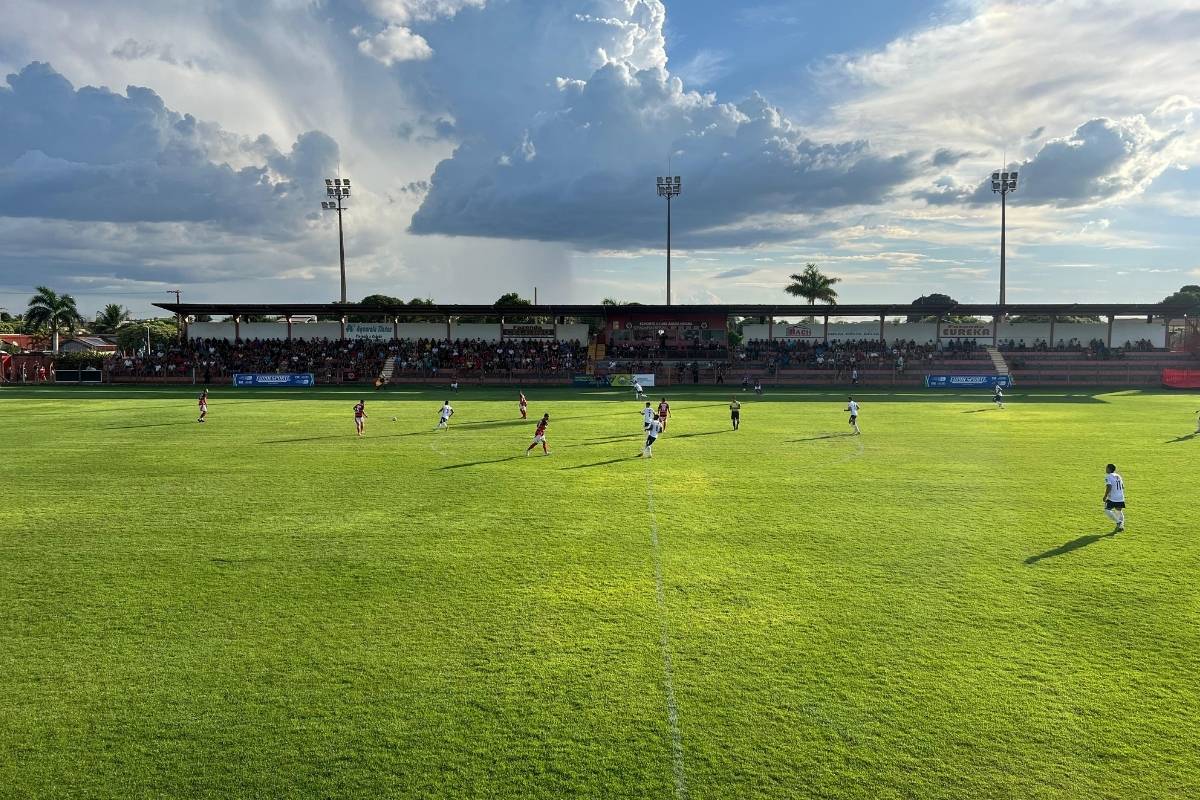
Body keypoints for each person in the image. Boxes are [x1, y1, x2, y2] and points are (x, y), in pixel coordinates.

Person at [1103, 463, 1126, 532]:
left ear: (1109, 469)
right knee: (1119, 511)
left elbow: (1109, 486)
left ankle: (1118, 522)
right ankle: (1121, 526)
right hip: (1121, 497)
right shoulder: (1118, 476)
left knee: (1107, 510)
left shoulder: (1108, 476)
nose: (1105, 469)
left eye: (1106, 468)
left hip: (1113, 498)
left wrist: (1105, 496)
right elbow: (1122, 486)